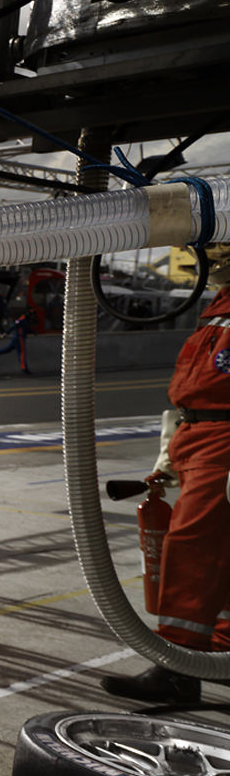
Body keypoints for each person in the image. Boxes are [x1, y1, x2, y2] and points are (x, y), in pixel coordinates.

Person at [102, 245, 230, 706]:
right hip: (199, 433)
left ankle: (178, 668)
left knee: (193, 547)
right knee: (220, 551)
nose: (212, 260)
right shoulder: (219, 304)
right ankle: (222, 652)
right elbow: (196, 387)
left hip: (224, 438)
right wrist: (169, 453)